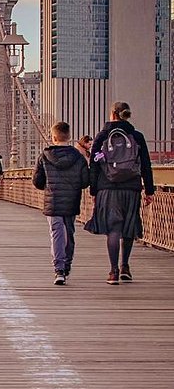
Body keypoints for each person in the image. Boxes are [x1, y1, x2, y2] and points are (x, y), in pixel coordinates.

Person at [84, 101, 155, 284]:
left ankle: (113, 271)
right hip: (131, 188)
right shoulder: (136, 136)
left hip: (107, 189)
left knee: (113, 228)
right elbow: (146, 165)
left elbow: (93, 166)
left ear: (113, 115)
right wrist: (149, 190)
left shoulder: (101, 136)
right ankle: (125, 267)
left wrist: (94, 190)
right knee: (129, 226)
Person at [32, 121, 90, 285]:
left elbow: (37, 181)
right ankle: (66, 266)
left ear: (53, 137)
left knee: (56, 233)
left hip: (53, 201)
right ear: (69, 136)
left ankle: (58, 269)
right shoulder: (78, 157)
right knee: (69, 233)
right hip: (71, 201)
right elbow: (85, 181)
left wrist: (49, 186)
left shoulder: (44, 156)